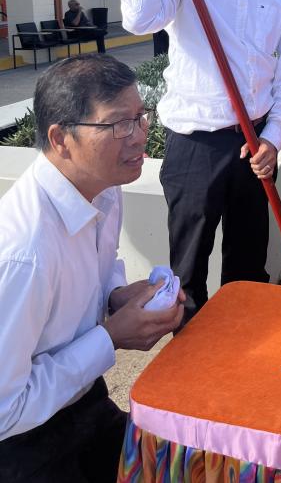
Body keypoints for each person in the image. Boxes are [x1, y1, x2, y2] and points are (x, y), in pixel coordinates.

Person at [121, 0, 281, 324]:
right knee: (188, 271)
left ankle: (244, 350)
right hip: (194, 143)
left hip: (254, 143)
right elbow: (139, 18)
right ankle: (188, 354)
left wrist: (274, 139)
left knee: (249, 264)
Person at [0, 54, 184, 482]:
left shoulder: (102, 188)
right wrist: (111, 337)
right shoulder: (24, 253)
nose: (140, 135)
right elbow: (5, 410)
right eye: (119, 124)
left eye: (140, 117)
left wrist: (117, 295)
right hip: (22, 444)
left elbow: (103, 262)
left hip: (83, 403)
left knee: (178, 463)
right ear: (60, 138)